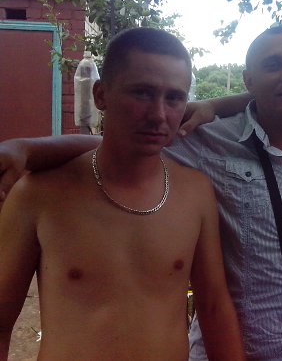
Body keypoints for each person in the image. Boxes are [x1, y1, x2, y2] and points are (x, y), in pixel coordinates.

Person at [0, 26, 282, 361]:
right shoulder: (209, 145)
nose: (159, 113)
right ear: (249, 81)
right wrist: (26, 149)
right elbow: (117, 146)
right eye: (273, 65)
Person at [0, 28, 244, 361]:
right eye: (142, 93)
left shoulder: (195, 193)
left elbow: (214, 306)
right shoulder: (39, 194)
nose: (159, 114)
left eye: (174, 98)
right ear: (101, 95)